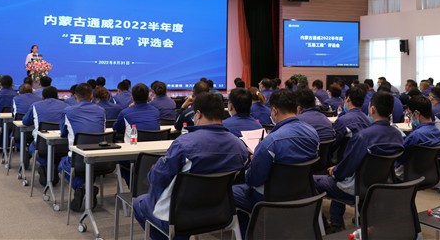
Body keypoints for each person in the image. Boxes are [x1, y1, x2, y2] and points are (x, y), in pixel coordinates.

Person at [133, 92, 249, 240]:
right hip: (220, 213)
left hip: (181, 216)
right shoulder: (239, 146)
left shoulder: (184, 144)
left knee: (139, 203)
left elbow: (158, 178)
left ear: (198, 114)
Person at [233, 89, 319, 236]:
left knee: (231, 192)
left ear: (274, 111)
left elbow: (253, 180)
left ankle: (251, 233)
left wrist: (254, 162)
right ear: (296, 108)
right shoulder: (313, 134)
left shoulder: (270, 142)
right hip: (302, 194)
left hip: (269, 198)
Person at [314, 92, 404, 232]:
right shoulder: (398, 135)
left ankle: (325, 226)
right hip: (380, 185)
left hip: (355, 188)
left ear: (372, 109)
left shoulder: (363, 137)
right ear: (391, 110)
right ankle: (350, 220)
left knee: (313, 180)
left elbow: (346, 169)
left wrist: (335, 171)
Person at [58, 83, 106, 212]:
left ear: (75, 96)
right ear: (91, 96)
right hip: (100, 159)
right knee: (88, 166)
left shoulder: (68, 111)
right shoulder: (101, 111)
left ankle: (81, 187)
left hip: (77, 159)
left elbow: (63, 134)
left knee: (62, 164)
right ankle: (88, 187)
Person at [22, 86, 67, 186]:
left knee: (32, 148)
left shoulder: (35, 106)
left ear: (42, 97)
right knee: (56, 153)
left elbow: (25, 121)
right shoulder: (66, 106)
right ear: (57, 96)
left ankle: (46, 166)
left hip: (42, 146)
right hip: (63, 145)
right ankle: (53, 167)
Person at [395, 96, 440, 178]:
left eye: (410, 114)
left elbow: (400, 157)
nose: (410, 117)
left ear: (416, 113)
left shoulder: (415, 136)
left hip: (406, 174)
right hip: (429, 174)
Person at [332, 86, 371, 154]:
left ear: (348, 99)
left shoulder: (342, 121)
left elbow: (334, 144)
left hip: (346, 156)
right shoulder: (367, 119)